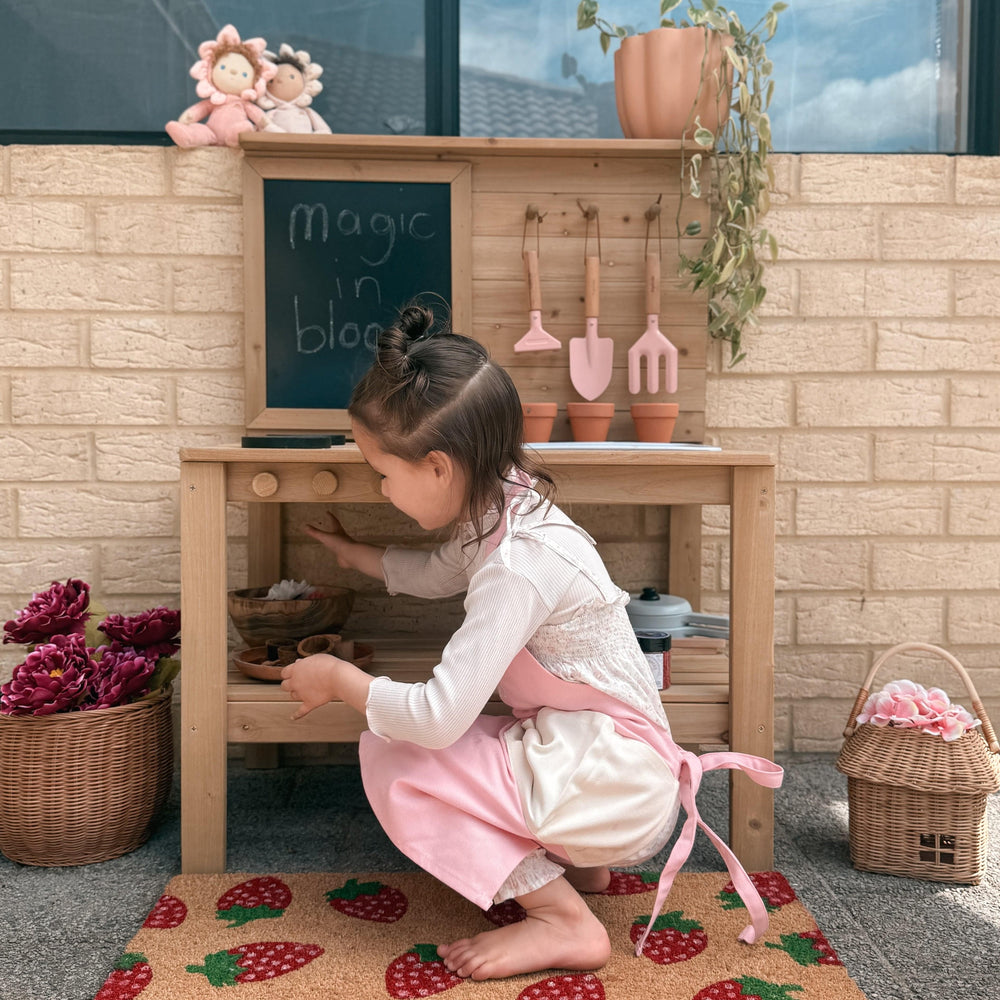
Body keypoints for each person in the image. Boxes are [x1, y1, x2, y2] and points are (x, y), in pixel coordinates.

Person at [280, 304, 783, 981]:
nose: (380, 487)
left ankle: (561, 920)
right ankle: (586, 865)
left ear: (436, 466)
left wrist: (340, 682)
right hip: (608, 762)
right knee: (486, 738)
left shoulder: (517, 566)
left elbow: (434, 719)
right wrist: (357, 556)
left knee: (393, 752)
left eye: (382, 474)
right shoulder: (505, 504)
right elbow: (436, 572)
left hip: (614, 785)